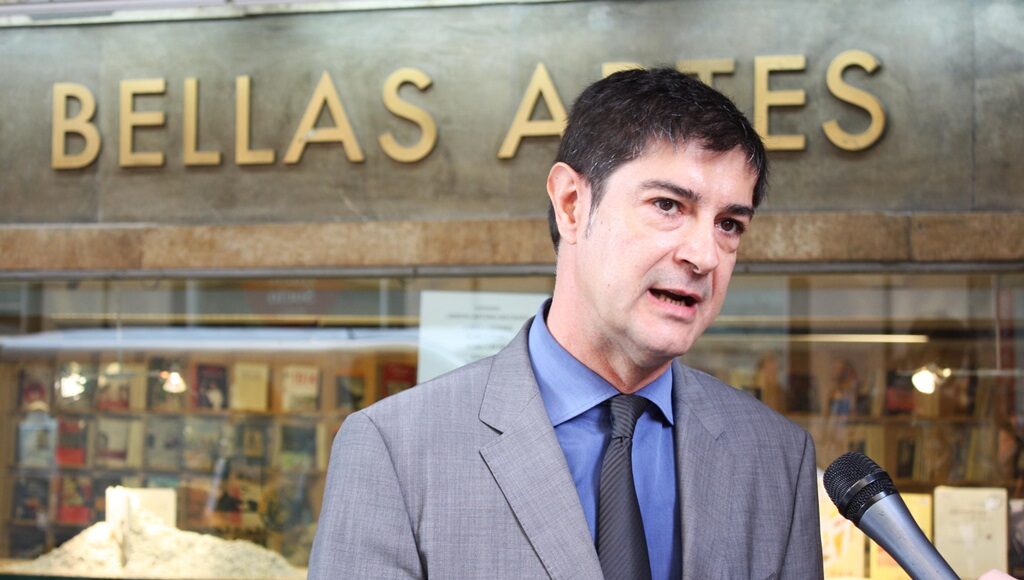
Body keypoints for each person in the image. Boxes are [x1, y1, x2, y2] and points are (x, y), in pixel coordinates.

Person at [309, 68, 824, 579]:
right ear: (572, 205)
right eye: (668, 206)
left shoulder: (778, 458)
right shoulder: (395, 449)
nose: (705, 255)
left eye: (729, 224)